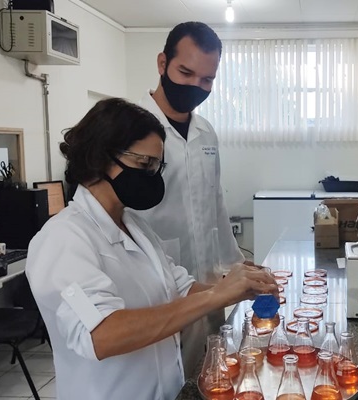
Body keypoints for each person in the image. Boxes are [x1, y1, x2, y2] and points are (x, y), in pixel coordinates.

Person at [25, 98, 277, 400]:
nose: (152, 177)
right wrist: (216, 295)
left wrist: (238, 285)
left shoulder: (135, 227)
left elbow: (181, 288)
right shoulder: (63, 239)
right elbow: (102, 334)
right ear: (99, 156)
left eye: (157, 167)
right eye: (144, 165)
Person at [137, 21, 249, 375]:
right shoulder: (131, 130)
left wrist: (236, 269)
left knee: (209, 374)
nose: (195, 86)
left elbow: (216, 205)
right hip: (155, 287)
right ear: (162, 63)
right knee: (166, 378)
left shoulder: (206, 133)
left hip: (207, 281)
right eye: (185, 72)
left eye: (207, 80)